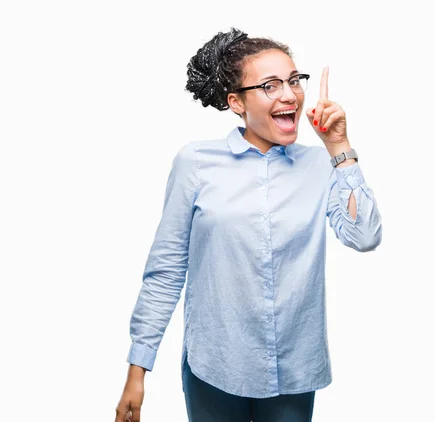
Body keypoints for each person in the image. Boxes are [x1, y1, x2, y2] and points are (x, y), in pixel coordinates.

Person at [115, 27, 383, 422]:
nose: (289, 94)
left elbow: (364, 237)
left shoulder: (317, 166)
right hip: (216, 366)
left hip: (294, 370)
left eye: (293, 81)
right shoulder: (197, 163)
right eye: (270, 86)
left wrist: (339, 148)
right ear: (236, 102)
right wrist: (138, 370)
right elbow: (166, 270)